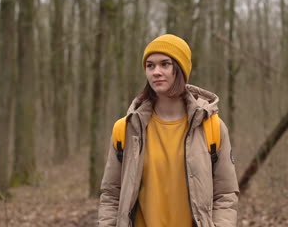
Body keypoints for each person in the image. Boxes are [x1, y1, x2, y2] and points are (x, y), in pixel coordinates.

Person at [98, 34, 239, 227]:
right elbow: (111, 194)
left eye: (165, 64)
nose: (156, 72)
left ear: (180, 69)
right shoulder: (126, 129)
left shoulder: (211, 127)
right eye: (150, 65)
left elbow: (225, 195)